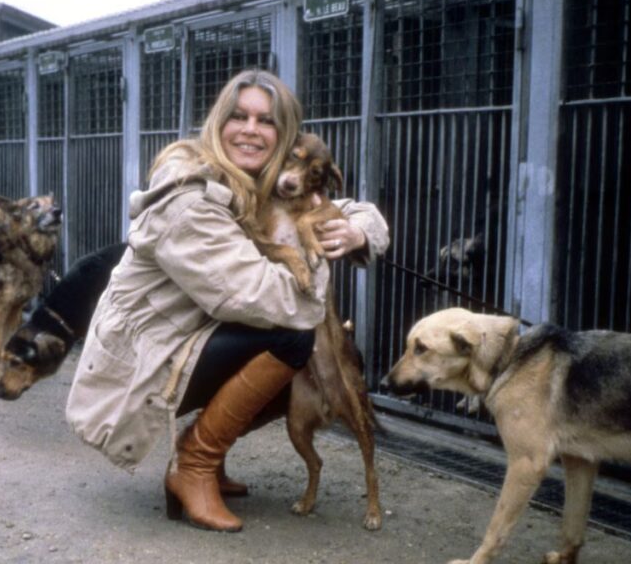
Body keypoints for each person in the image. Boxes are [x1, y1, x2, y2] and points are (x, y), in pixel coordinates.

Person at [66, 69, 390, 532]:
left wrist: (356, 231)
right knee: (293, 339)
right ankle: (194, 464)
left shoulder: (261, 178)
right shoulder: (188, 198)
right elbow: (260, 296)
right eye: (239, 116)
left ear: (285, 136)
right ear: (219, 121)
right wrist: (316, 260)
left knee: (294, 355)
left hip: (187, 341)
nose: (251, 130)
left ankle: (207, 457)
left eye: (266, 120)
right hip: (141, 366)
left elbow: (347, 207)